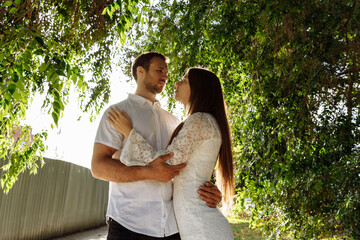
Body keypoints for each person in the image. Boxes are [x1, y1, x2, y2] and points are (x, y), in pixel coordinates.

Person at [91, 52, 222, 240]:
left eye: (167, 72)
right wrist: (146, 172)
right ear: (141, 71)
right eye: (159, 70)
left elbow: (185, 167)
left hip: (172, 227)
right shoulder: (118, 113)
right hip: (129, 224)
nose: (166, 76)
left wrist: (209, 191)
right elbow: (98, 168)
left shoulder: (175, 122)